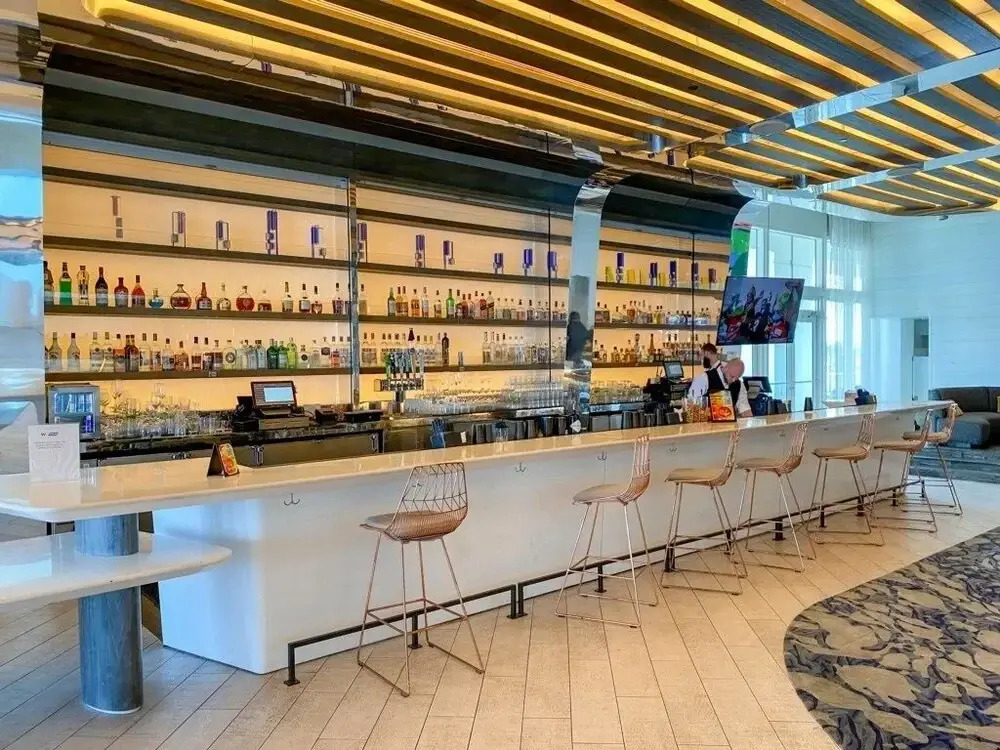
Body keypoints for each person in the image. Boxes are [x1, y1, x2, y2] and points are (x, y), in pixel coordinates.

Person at [688, 356, 752, 418]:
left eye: (737, 378)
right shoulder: (704, 379)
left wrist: (751, 422)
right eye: (732, 376)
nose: (733, 380)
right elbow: (691, 403)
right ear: (725, 369)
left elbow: (745, 409)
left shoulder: (739, 385)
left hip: (729, 425)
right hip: (704, 423)